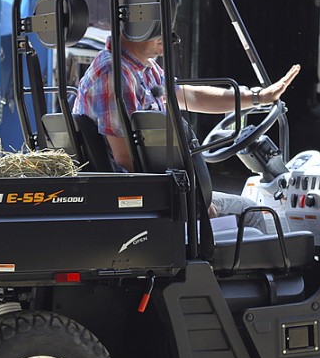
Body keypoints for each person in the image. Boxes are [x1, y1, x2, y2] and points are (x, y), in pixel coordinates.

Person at [73, 34, 300, 231]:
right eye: (158, 24)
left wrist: (258, 97)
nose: (169, 35)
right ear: (136, 22)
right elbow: (126, 158)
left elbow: (190, 96)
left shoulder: (143, 69)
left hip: (153, 193)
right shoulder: (114, 74)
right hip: (138, 200)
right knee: (251, 211)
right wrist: (192, 197)